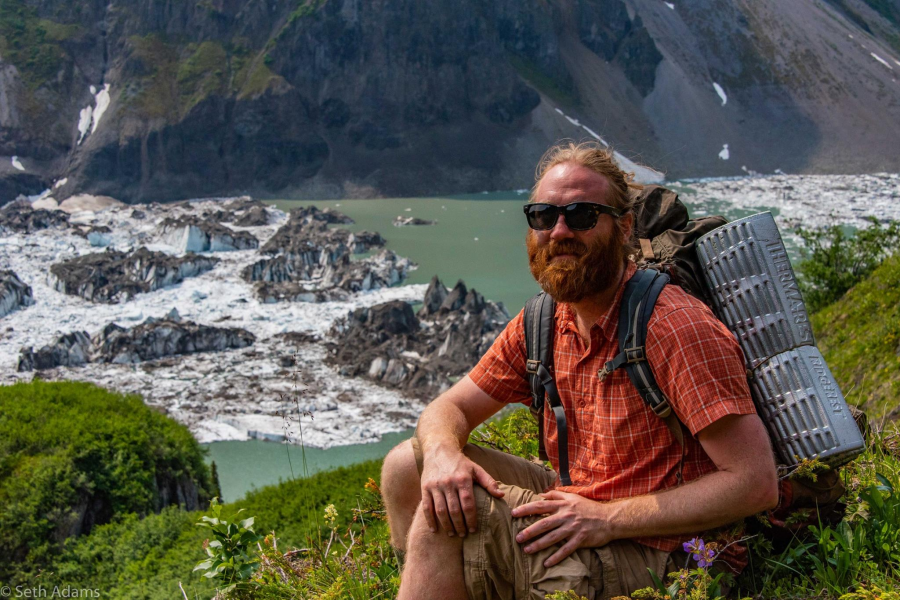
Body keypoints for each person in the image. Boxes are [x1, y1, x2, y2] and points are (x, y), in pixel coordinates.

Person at [381, 142, 779, 600]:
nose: (559, 231)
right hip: (584, 505)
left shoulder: (673, 326)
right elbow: (448, 408)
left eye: (583, 216)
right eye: (543, 216)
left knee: (442, 521)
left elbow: (754, 483)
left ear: (624, 228)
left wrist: (606, 519)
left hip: (668, 551)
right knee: (407, 468)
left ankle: (446, 571)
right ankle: (440, 579)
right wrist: (441, 454)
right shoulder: (547, 321)